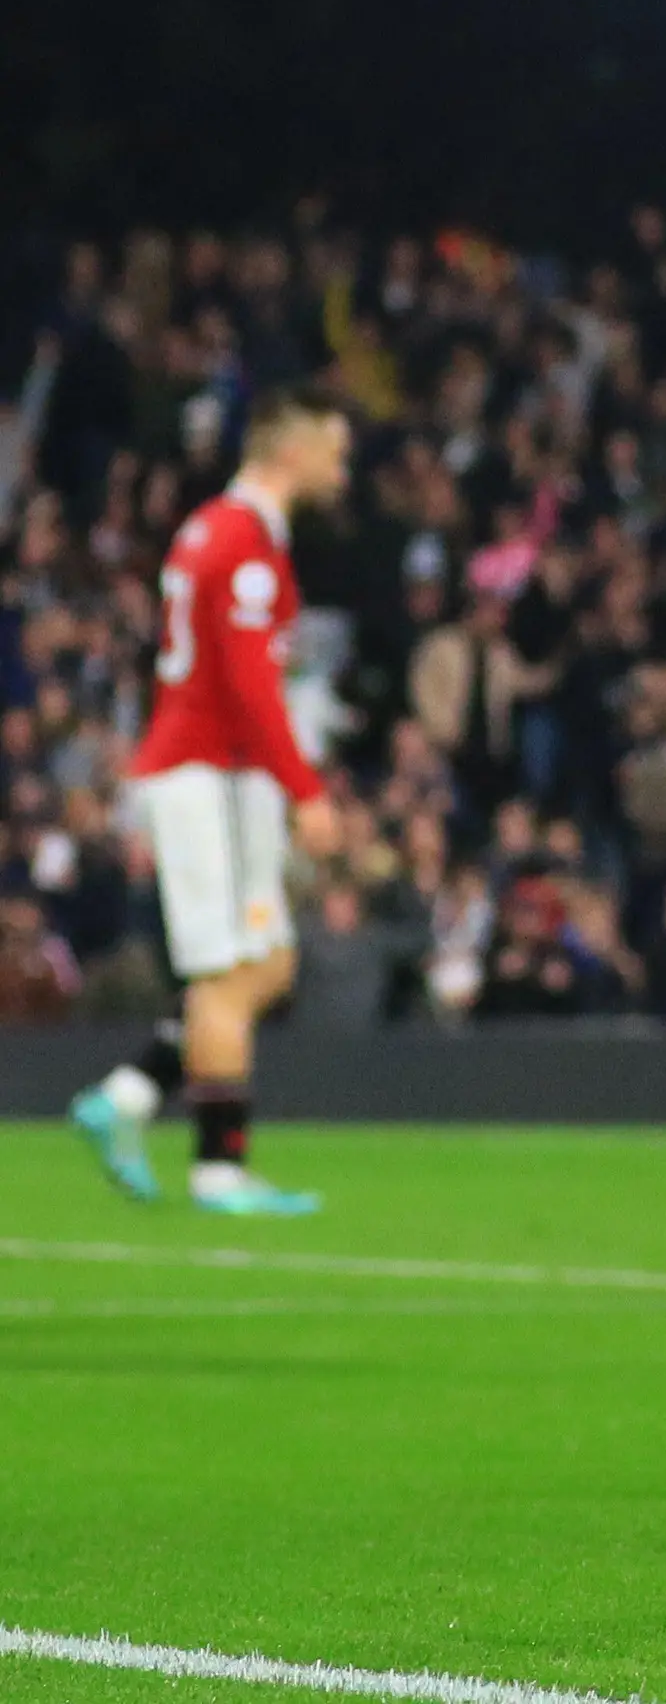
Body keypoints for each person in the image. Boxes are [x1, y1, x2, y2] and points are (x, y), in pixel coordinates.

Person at [70, 381, 355, 1215]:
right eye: (334, 451)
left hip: (219, 770)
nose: (343, 468)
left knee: (266, 964)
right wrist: (304, 787)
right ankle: (219, 1166)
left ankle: (124, 1098)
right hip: (211, 774)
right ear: (291, 452)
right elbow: (247, 681)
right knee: (233, 974)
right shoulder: (241, 541)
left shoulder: (216, 530)